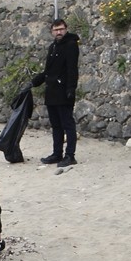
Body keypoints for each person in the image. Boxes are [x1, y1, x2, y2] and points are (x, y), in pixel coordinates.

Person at [31, 18, 80, 167]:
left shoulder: (71, 45)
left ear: (66, 29)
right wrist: (34, 82)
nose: (59, 32)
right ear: (52, 32)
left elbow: (72, 69)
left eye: (61, 29)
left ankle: (70, 155)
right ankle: (57, 154)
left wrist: (71, 88)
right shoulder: (53, 47)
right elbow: (48, 71)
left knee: (68, 125)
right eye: (56, 30)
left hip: (64, 91)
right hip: (51, 91)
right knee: (56, 125)